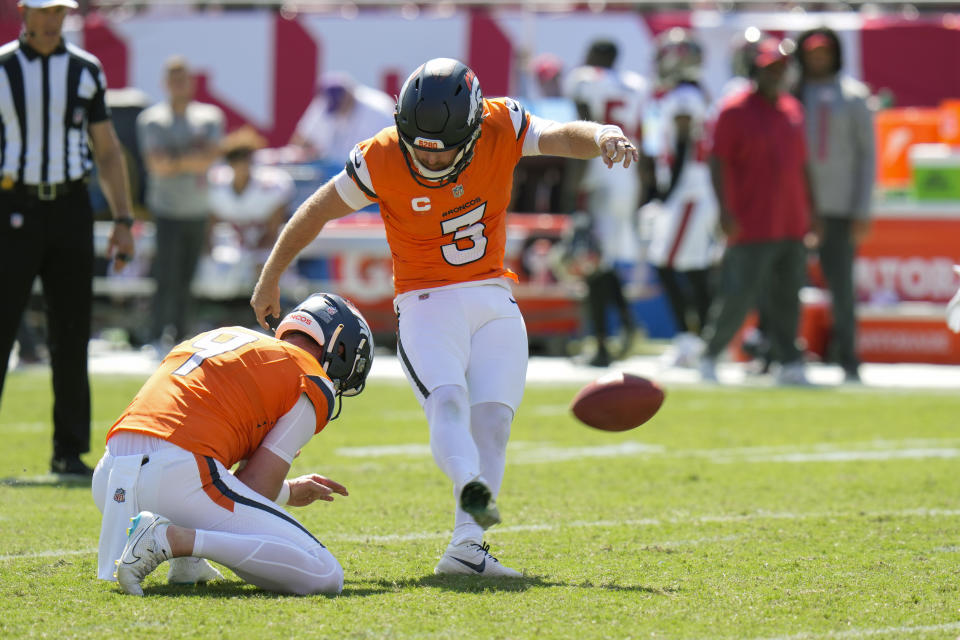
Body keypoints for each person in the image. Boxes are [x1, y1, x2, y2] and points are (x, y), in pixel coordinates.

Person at [251, 57, 638, 576]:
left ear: (474, 126)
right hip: (426, 303)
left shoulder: (502, 122)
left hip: (494, 298)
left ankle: (466, 548)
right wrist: (270, 273)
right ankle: (468, 487)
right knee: (448, 402)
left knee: (495, 422)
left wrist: (604, 134)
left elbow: (563, 136)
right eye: (419, 146)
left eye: (444, 148)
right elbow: (318, 209)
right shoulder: (382, 154)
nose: (430, 160)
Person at [91, 292, 374, 596]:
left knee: (206, 471)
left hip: (109, 478)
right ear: (340, 347)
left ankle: (187, 561)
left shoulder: (226, 336)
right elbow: (254, 486)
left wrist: (288, 492)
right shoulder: (309, 375)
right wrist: (278, 488)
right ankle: (174, 541)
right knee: (325, 573)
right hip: (176, 473)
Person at [0, 0, 136, 476]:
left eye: (59, 10)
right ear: (24, 11)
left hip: (71, 208)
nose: (52, 19)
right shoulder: (2, 67)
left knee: (73, 330)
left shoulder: (84, 69)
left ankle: (69, 449)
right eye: (44, 11)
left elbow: (106, 147)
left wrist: (122, 219)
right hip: (12, 205)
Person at [699, 37, 816, 386]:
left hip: (791, 220)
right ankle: (710, 353)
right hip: (750, 220)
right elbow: (717, 162)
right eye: (769, 70)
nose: (775, 76)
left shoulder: (793, 109)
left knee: (788, 296)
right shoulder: (733, 110)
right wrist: (724, 211)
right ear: (755, 72)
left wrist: (814, 210)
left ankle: (789, 360)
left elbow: (803, 165)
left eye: (780, 69)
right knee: (738, 293)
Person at [795, 27, 875, 383]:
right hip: (795, 205)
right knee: (783, 283)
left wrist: (862, 209)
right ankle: (783, 350)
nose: (818, 58)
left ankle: (848, 355)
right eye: (812, 52)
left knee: (841, 285)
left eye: (824, 52)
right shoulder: (792, 94)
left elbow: (867, 156)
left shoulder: (854, 96)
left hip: (839, 204)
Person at [564, 40, 649, 366]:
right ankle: (627, 322)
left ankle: (600, 344)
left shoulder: (586, 80)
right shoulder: (635, 85)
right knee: (604, 261)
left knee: (591, 262)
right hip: (626, 177)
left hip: (598, 175)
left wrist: (572, 188)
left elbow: (580, 133)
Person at [136, 55, 224, 350]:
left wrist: (176, 159)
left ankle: (184, 333)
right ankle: (156, 332)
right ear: (164, 83)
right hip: (165, 209)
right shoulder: (151, 119)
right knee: (164, 274)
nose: (178, 84)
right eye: (172, 78)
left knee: (188, 277)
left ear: (191, 82)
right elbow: (157, 164)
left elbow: (208, 158)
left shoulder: (209, 117)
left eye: (182, 77)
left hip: (197, 208)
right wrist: (191, 159)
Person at [645, 84, 719, 368]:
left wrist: (662, 199)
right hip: (691, 198)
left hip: (689, 197)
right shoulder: (686, 98)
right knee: (696, 271)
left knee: (667, 266)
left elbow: (684, 142)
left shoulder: (684, 100)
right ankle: (702, 341)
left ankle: (691, 340)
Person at [196, 126, 295, 304]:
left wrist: (247, 260)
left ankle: (272, 319)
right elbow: (208, 231)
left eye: (245, 158)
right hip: (231, 250)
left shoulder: (272, 186)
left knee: (266, 270)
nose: (241, 164)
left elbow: (272, 233)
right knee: (212, 272)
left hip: (263, 250)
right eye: (235, 159)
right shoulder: (217, 187)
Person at [289, 72, 395, 166]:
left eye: (340, 104)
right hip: (337, 170)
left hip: (370, 172)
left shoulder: (378, 110)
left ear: (348, 95)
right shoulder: (325, 102)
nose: (338, 109)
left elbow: (388, 152)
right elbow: (302, 139)